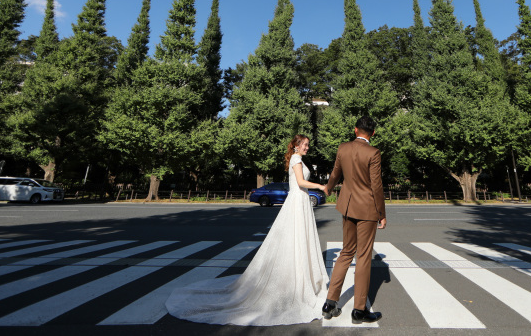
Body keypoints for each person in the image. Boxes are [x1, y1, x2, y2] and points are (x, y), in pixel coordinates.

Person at [165, 134, 329, 326]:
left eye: (308, 145)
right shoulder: (296, 159)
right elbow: (300, 182)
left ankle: (298, 276)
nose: (307, 148)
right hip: (298, 200)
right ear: (296, 146)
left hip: (300, 202)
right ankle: (294, 280)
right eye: (305, 145)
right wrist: (319, 186)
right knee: (294, 238)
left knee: (296, 239)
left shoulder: (298, 159)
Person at [322, 116, 386, 324]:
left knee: (346, 252)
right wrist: (382, 214)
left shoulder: (343, 148)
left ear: (355, 130)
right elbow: (376, 186)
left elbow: (335, 174)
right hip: (367, 209)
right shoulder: (373, 152)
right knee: (364, 256)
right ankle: (359, 310)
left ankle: (330, 303)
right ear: (373, 133)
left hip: (347, 206)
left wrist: (328, 189)